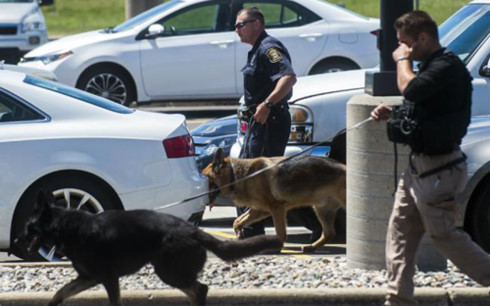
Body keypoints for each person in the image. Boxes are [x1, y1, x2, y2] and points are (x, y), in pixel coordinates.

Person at [371, 10, 490, 306]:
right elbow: (423, 106)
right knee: (399, 232)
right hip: (416, 169)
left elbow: (410, 88)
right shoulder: (430, 66)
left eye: (405, 43)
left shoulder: (448, 67)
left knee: (443, 235)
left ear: (423, 38)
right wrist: (393, 114)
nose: (401, 48)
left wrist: (401, 60)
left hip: (440, 168)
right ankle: (398, 299)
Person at [234, 6, 299, 238]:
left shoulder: (269, 48)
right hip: (259, 123)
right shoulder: (256, 50)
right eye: (235, 26)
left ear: (257, 24)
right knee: (246, 173)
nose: (236, 30)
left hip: (270, 122)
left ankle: (252, 231)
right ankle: (250, 229)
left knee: (254, 177)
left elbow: (289, 78)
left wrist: (267, 104)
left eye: (240, 25)